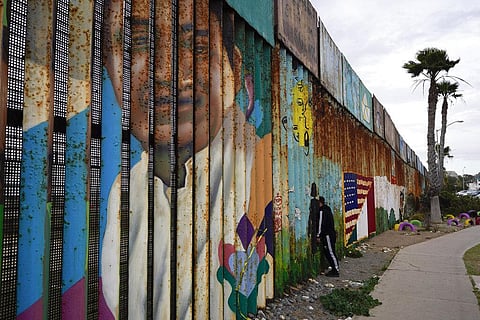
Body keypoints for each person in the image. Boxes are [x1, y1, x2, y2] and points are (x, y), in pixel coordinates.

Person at [101, 1, 271, 319]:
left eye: (198, 45)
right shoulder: (125, 193)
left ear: (233, 70)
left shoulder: (259, 169)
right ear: (109, 68)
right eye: (139, 44)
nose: (166, 72)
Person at [316, 196, 340, 277]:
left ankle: (335, 270)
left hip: (327, 235)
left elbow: (320, 224)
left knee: (330, 252)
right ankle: (334, 269)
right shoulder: (328, 210)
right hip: (330, 234)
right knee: (329, 252)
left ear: (320, 203)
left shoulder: (322, 211)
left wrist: (318, 235)